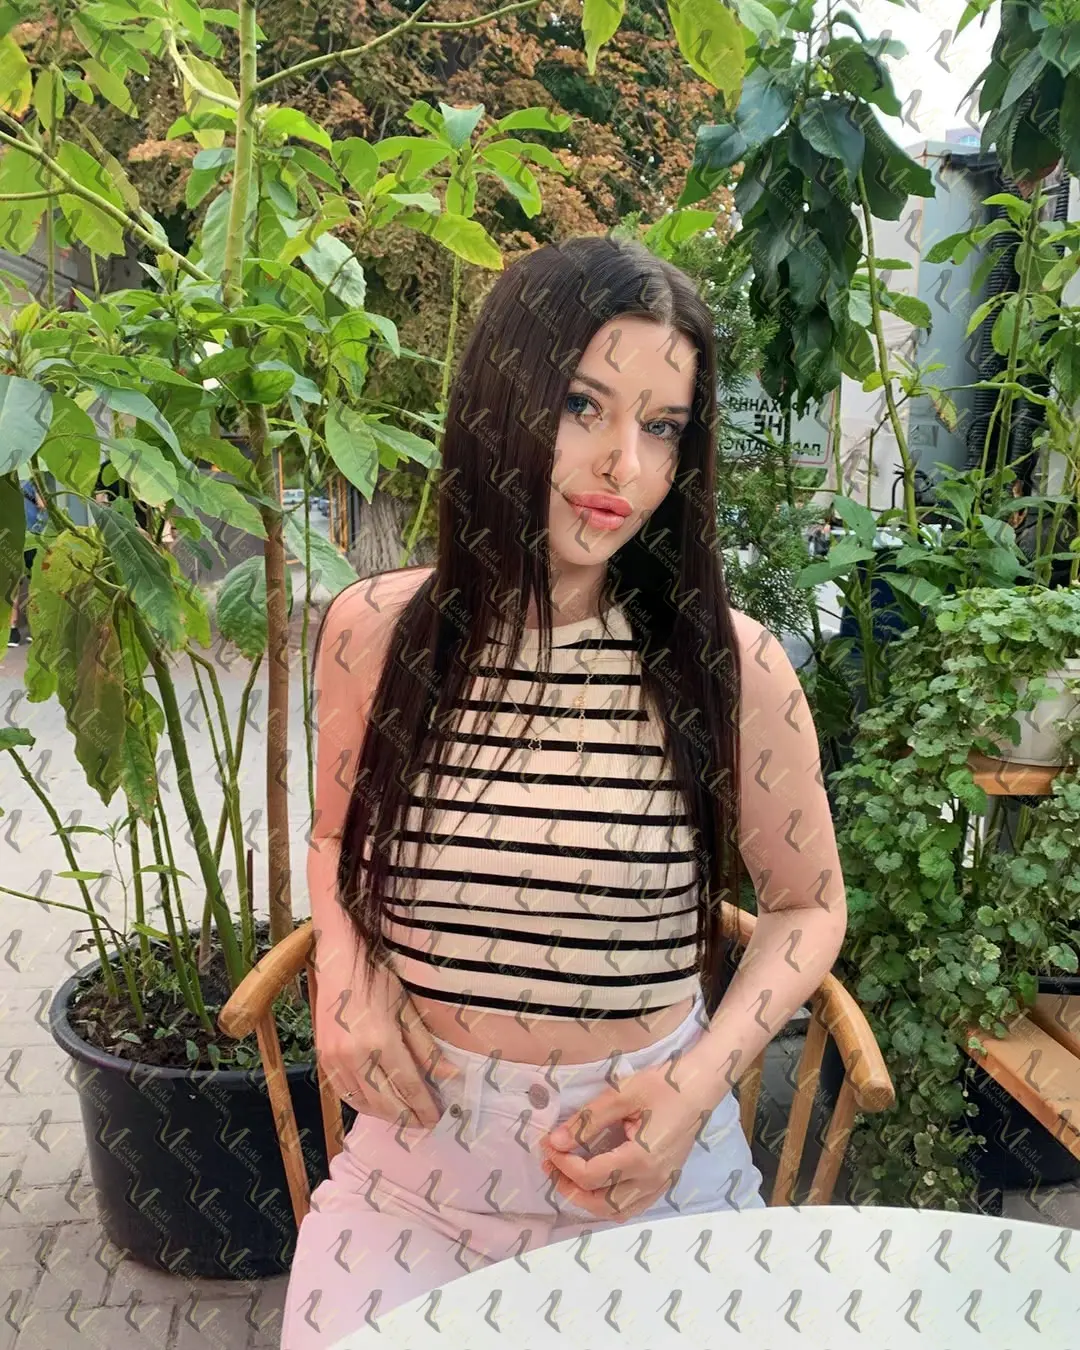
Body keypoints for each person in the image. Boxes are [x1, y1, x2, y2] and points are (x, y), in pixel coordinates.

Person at [283, 235, 849, 1348]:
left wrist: (697, 1089)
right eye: (583, 406)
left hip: (652, 1175)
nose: (622, 466)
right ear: (499, 399)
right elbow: (336, 839)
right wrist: (341, 972)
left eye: (662, 426)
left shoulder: (731, 668)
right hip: (418, 1183)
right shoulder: (374, 635)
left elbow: (808, 907)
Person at [9, 478, 46, 646]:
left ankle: (12, 631)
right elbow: (43, 505)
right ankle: (35, 628)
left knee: (13, 585)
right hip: (31, 536)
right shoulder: (30, 480)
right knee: (34, 582)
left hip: (10, 538)